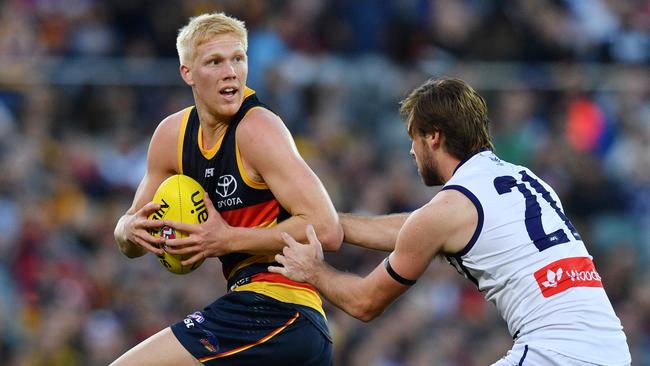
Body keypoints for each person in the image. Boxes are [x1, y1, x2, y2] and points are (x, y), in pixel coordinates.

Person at [270, 78, 632, 365]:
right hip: (612, 349)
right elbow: (413, 228)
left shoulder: (447, 211)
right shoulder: (525, 179)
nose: (411, 150)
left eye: (413, 137)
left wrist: (314, 271)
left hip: (556, 354)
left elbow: (366, 303)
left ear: (434, 136)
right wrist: (332, 223)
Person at [111, 12, 342, 366]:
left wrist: (226, 239)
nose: (230, 71)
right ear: (187, 73)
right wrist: (128, 229)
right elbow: (128, 234)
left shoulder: (258, 129)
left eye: (238, 58)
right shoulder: (171, 137)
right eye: (215, 62)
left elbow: (326, 229)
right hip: (265, 319)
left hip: (281, 310)